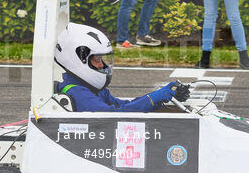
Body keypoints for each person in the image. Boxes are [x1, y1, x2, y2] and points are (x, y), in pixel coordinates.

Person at [55, 22, 183, 112]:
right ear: (77, 59)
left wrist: (157, 98)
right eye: (98, 60)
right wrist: (152, 98)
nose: (102, 65)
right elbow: (117, 115)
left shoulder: (92, 88)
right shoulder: (77, 92)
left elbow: (122, 105)